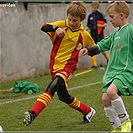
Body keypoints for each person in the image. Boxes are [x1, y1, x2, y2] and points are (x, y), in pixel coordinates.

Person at [23, 1, 96, 126]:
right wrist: (56, 29)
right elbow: (43, 26)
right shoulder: (62, 25)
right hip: (54, 66)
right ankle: (88, 111)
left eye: (75, 20)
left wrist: (87, 50)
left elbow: (94, 49)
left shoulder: (84, 34)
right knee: (64, 97)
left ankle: (32, 113)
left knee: (51, 88)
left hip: (68, 68)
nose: (71, 23)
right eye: (70, 19)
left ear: (81, 19)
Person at [80, 1, 133, 132]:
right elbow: (101, 45)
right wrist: (88, 49)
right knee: (105, 99)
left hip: (124, 71)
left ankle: (126, 122)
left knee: (111, 92)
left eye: (111, 16)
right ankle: (116, 127)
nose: (109, 20)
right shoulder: (115, 35)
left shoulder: (130, 30)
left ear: (121, 15)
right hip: (111, 72)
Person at [86, 1, 109, 67]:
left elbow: (105, 24)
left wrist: (101, 26)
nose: (93, 9)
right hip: (92, 33)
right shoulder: (90, 16)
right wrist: (86, 28)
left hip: (99, 33)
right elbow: (88, 25)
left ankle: (108, 59)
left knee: (101, 47)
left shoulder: (100, 15)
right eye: (92, 8)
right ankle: (94, 64)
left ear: (97, 7)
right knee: (92, 47)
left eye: (95, 8)